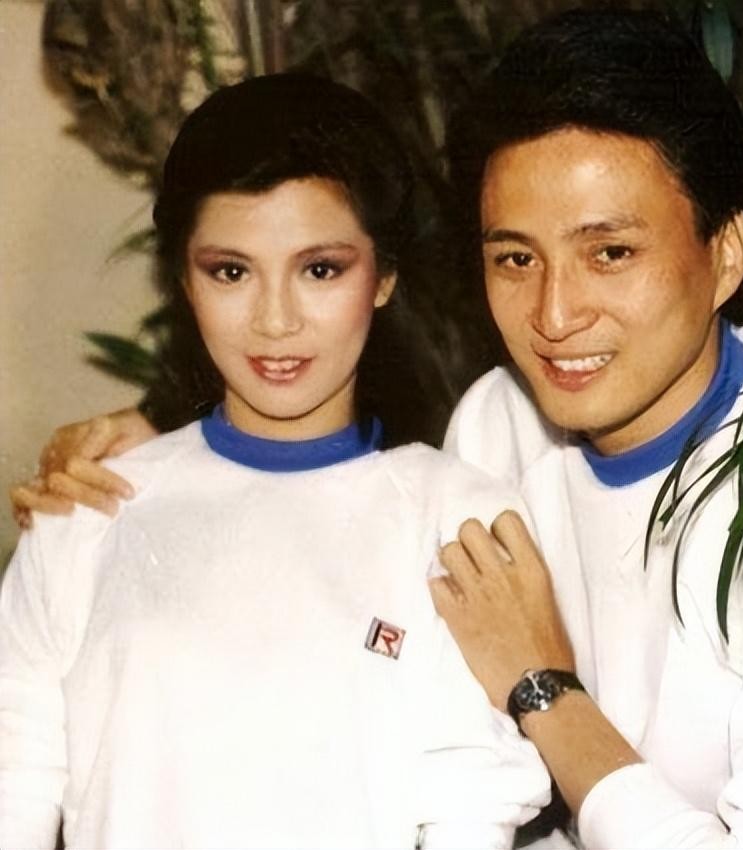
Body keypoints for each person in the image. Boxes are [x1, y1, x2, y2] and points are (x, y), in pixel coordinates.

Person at [11, 9, 743, 849]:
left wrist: (544, 689)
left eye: (610, 252)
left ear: (725, 252)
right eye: (516, 258)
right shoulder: (501, 422)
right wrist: (165, 443)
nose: (555, 315)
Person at [0, 73, 550, 849]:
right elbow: (16, 772)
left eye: (320, 269)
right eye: (231, 271)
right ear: (183, 279)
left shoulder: (454, 516)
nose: (275, 319)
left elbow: (474, 801)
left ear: (384, 276)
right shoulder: (90, 505)